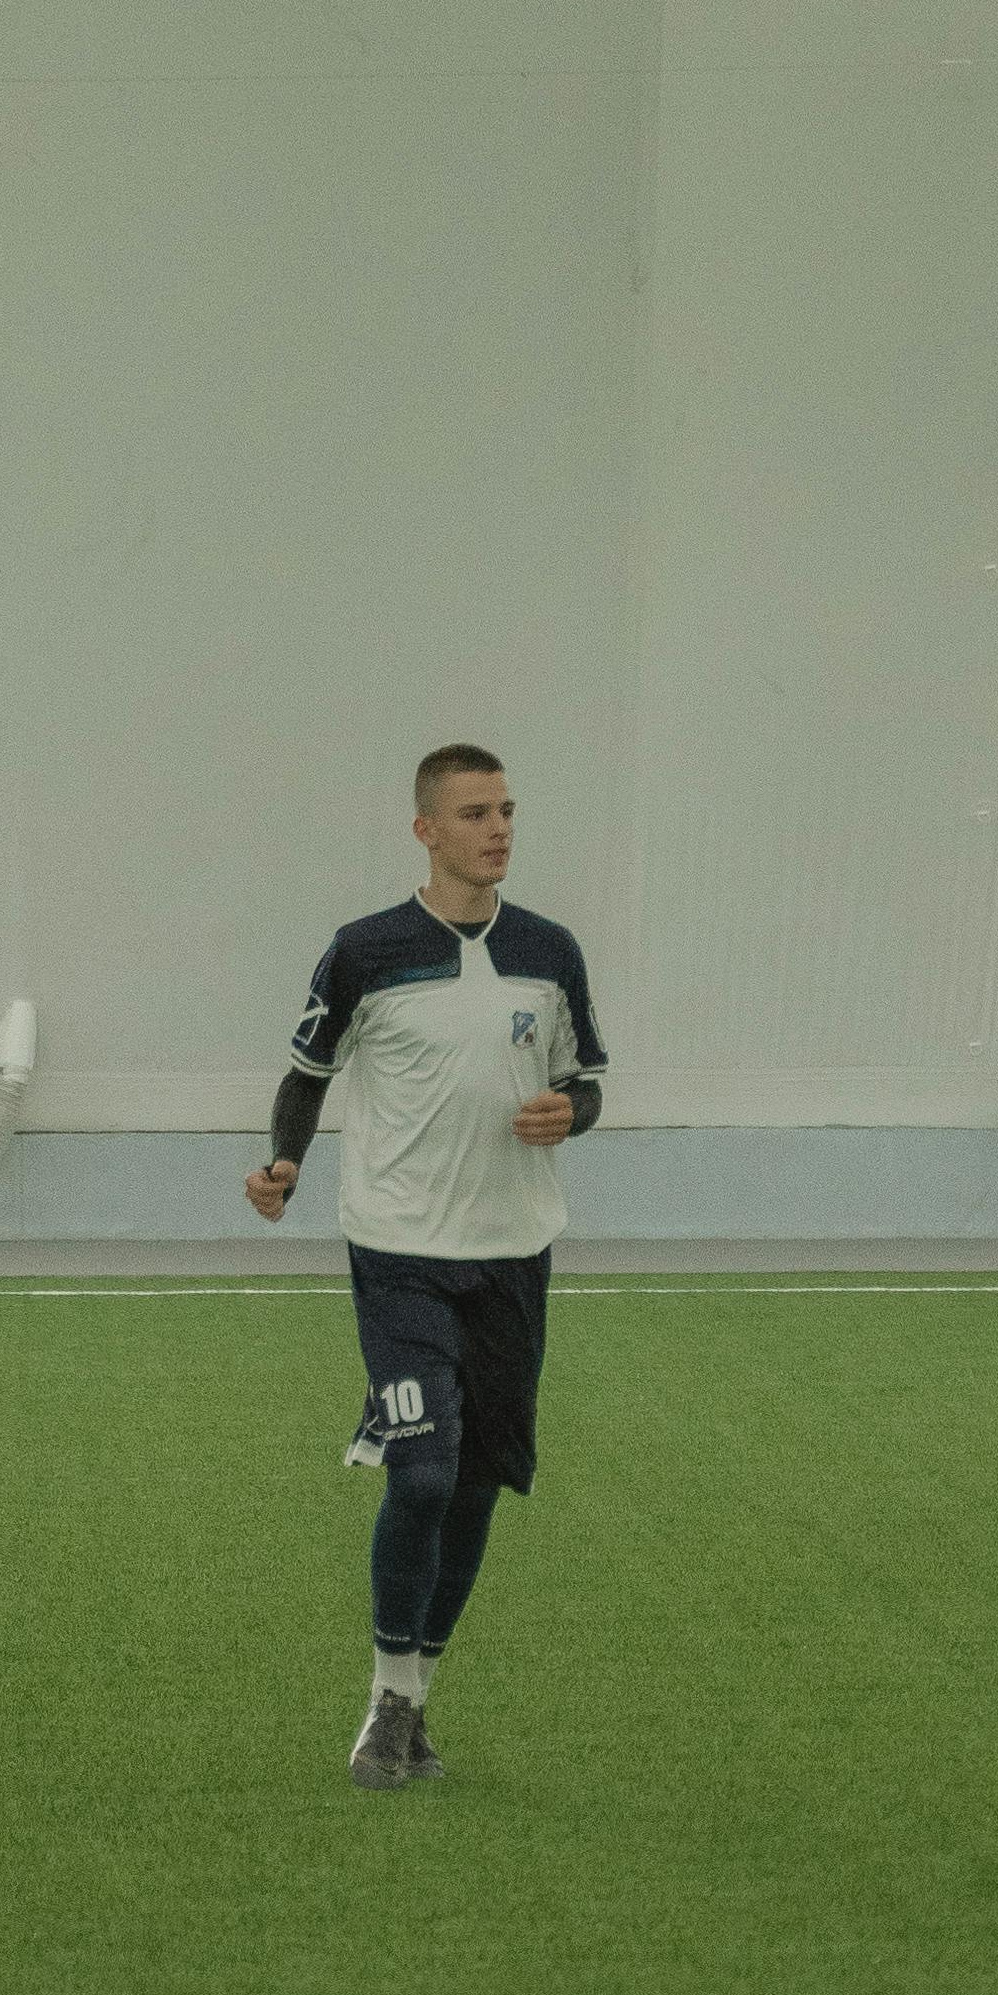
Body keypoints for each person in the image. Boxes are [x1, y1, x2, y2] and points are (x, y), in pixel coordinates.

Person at [246, 746, 607, 1787]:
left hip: (513, 1257)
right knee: (424, 1472)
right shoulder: (366, 950)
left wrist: (567, 1112)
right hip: (400, 1251)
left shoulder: (549, 951)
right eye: (474, 812)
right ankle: (384, 1699)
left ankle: (411, 1708)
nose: (497, 828)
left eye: (505, 810)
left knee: (478, 1487)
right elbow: (307, 1072)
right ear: (426, 830)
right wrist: (282, 1163)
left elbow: (585, 1081)